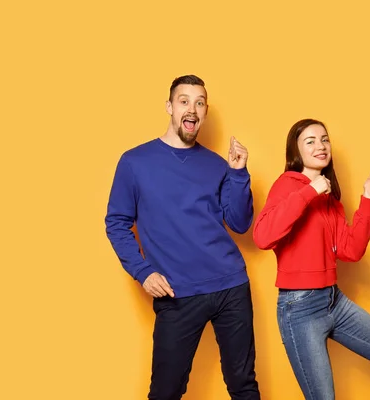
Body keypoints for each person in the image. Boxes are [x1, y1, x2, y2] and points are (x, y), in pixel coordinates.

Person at [105, 75, 260, 400]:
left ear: (205, 112)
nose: (193, 108)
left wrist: (238, 172)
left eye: (200, 102)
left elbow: (240, 222)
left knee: (244, 386)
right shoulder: (135, 162)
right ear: (170, 107)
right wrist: (143, 271)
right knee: (165, 392)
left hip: (231, 286)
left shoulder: (217, 164)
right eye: (184, 101)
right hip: (177, 293)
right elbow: (117, 222)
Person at [253, 118, 370, 400]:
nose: (320, 146)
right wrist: (309, 191)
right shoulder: (287, 186)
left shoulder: (329, 198)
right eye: (310, 141)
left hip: (334, 300)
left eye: (324, 139)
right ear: (295, 152)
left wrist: (368, 197)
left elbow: (350, 251)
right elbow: (263, 237)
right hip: (299, 308)